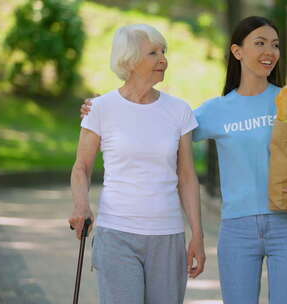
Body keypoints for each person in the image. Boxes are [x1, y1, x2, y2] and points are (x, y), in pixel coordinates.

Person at [81, 16, 287, 304]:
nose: (269, 52)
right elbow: (158, 127)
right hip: (238, 229)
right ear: (237, 52)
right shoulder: (214, 111)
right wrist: (108, 107)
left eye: (275, 45)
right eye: (259, 43)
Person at [69, 24, 205, 304]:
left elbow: (187, 176)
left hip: (167, 236)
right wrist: (81, 205)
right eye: (153, 52)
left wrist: (197, 234)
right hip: (116, 233)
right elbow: (81, 167)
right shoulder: (100, 109)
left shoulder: (179, 110)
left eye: (164, 51)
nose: (163, 59)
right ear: (129, 60)